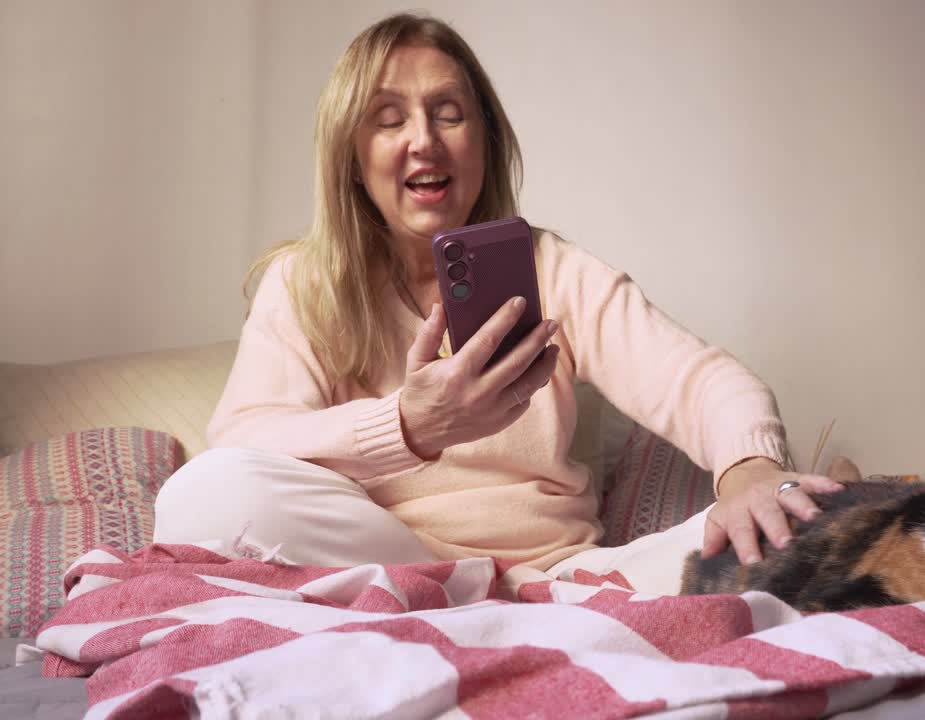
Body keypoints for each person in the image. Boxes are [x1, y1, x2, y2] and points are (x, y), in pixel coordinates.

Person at [153, 11, 839, 595]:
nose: (425, 139)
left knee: (804, 531)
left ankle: (497, 617)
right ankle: (455, 606)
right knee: (201, 494)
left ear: (484, 139)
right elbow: (244, 440)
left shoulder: (553, 271)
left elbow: (704, 380)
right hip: (398, 570)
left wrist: (752, 473)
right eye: (388, 120)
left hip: (562, 583)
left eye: (449, 114)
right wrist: (408, 425)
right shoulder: (304, 284)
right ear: (352, 158)